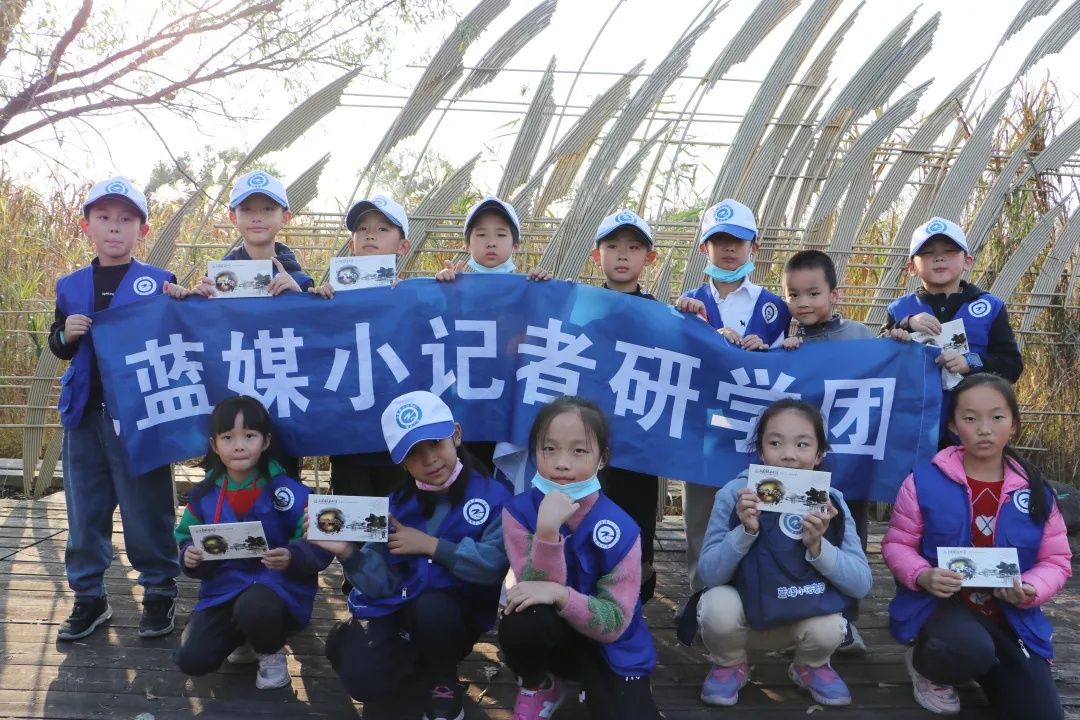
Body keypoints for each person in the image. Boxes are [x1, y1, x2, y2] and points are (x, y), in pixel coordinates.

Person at [882, 374, 1070, 718]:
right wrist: (923, 575)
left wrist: (1030, 588)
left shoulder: (1037, 490)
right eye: (970, 418)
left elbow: (1056, 560)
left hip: (1009, 616)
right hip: (940, 608)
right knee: (965, 648)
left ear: (1013, 423)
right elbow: (897, 544)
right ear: (953, 425)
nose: (984, 428)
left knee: (1042, 713)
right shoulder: (923, 481)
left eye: (997, 417)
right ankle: (929, 665)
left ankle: (983, 666)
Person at [316, 391, 510, 720]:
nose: (430, 459)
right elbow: (381, 585)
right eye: (414, 453)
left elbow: (492, 566)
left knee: (434, 607)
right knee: (361, 678)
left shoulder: (494, 496)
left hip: (453, 622)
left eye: (436, 442)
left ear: (457, 434)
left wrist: (431, 545)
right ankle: (393, 659)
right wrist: (349, 554)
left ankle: (443, 681)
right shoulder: (393, 507)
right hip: (398, 615)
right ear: (402, 462)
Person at [49, 176, 181, 641]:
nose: (114, 228)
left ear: (142, 230)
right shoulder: (70, 286)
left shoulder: (161, 282)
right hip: (84, 413)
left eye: (126, 219)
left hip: (142, 417)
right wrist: (68, 334)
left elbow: (181, 336)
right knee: (85, 510)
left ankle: (160, 593)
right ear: (87, 225)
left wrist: (188, 302)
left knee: (148, 509)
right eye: (103, 217)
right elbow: (57, 344)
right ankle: (89, 598)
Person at [694, 398, 872, 707]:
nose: (788, 455)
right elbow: (708, 575)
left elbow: (861, 584)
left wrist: (818, 546)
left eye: (802, 445)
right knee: (715, 605)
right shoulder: (734, 495)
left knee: (831, 626)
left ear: (819, 454)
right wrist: (745, 531)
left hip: (802, 614)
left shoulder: (833, 504)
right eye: (775, 443)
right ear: (761, 452)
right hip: (745, 614)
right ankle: (730, 663)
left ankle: (811, 665)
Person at [780, 248, 910, 652]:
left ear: (834, 294)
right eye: (794, 294)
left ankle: (846, 621)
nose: (803, 302)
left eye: (813, 293)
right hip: (800, 468)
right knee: (795, 538)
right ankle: (795, 618)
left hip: (850, 467)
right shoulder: (784, 341)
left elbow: (889, 377)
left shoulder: (861, 337)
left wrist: (902, 345)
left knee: (847, 537)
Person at [500, 396, 661, 720]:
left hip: (611, 646)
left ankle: (609, 686)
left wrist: (561, 595)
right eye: (549, 449)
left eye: (579, 450)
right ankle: (539, 682)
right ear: (535, 453)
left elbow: (615, 621)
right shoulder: (518, 512)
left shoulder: (622, 528)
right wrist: (546, 531)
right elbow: (534, 589)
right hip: (555, 637)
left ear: (602, 458)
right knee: (521, 619)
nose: (562, 463)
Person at [173, 395, 331, 690]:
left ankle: (271, 653)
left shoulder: (290, 492)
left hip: (276, 591)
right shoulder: (203, 496)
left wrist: (293, 555)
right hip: (224, 589)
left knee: (256, 606)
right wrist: (189, 556)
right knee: (192, 659)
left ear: (266, 441)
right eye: (228, 437)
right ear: (213, 444)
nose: (239, 445)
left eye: (250, 435)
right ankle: (242, 639)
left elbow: (319, 541)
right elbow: (184, 536)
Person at [679, 198, 790, 595]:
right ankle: (700, 595)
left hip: (757, 437)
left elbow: (795, 370)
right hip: (705, 436)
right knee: (702, 521)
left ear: (754, 247)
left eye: (737, 241)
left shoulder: (776, 307)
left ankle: (760, 596)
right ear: (703, 247)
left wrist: (771, 351)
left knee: (759, 515)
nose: (728, 249)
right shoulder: (687, 306)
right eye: (719, 240)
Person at [589, 209, 699, 602]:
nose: (622, 255)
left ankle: (633, 601)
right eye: (613, 246)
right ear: (595, 254)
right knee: (589, 520)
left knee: (635, 525)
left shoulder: (660, 313)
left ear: (649, 258)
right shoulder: (580, 304)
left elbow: (690, 357)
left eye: (634, 247)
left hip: (638, 443)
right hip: (588, 440)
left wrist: (693, 318)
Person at [318, 195, 414, 503]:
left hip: (402, 442)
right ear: (351, 243)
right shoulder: (328, 299)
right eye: (362, 229)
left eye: (383, 229)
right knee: (354, 534)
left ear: (403, 246)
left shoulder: (415, 299)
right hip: (349, 441)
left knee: (398, 531)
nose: (370, 235)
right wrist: (311, 303)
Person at [881, 217, 1023, 386]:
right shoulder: (898, 309)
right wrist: (905, 325)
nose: (939, 258)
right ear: (911, 267)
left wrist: (970, 362)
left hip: (972, 410)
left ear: (968, 261)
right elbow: (878, 361)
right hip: (914, 409)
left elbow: (1012, 366)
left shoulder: (991, 307)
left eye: (949, 251)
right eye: (927, 252)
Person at [182, 170, 316, 298]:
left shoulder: (299, 281)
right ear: (233, 217)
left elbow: (309, 320)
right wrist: (191, 299)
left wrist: (299, 297)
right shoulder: (217, 279)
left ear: (285, 217)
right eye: (246, 209)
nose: (257, 217)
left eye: (268, 209)